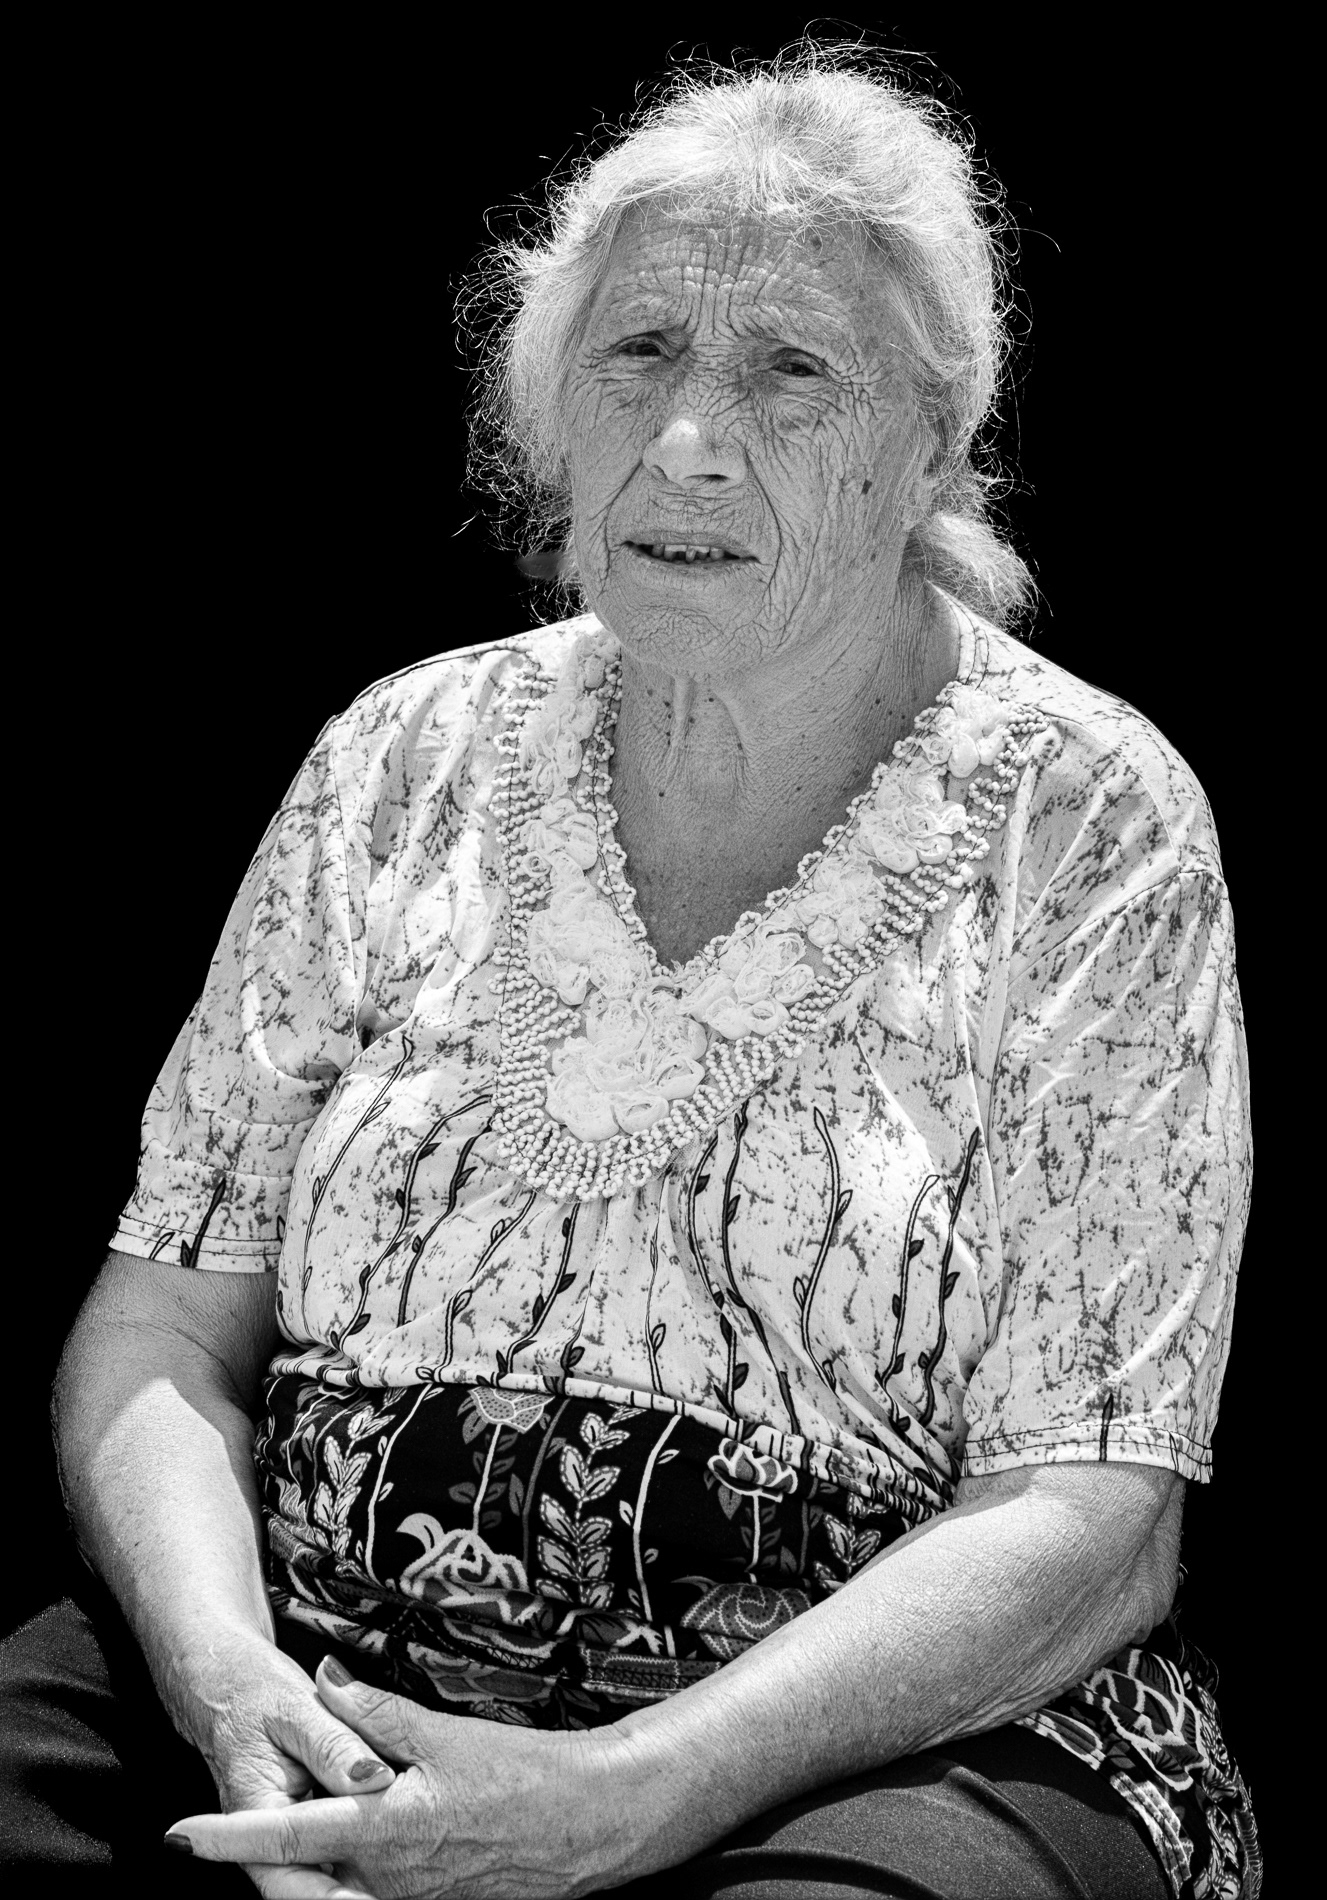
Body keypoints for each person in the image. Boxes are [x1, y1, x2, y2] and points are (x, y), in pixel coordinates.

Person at [1, 46, 1260, 1900]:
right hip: (325, 1682)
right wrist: (227, 1685)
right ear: (551, 420)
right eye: (639, 355)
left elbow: (1091, 1511)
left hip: (871, 1756)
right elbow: (165, 1331)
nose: (686, 443)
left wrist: (633, 1793)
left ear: (933, 445)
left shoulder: (1090, 822)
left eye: (790, 372)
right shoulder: (403, 755)